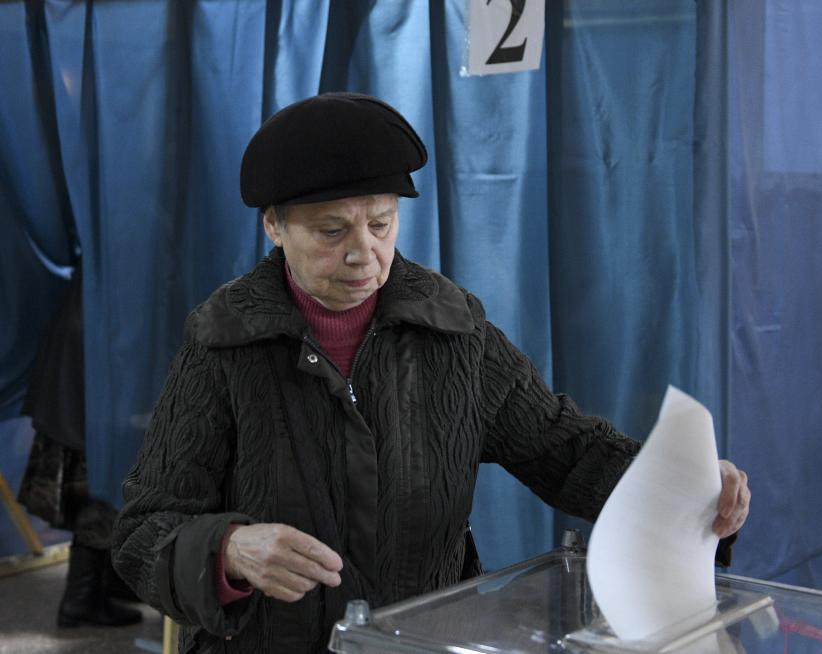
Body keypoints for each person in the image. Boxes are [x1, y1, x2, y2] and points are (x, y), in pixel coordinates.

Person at [112, 92, 750, 654]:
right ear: (274, 226)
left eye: (381, 224)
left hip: (425, 643)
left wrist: (690, 491)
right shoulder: (225, 343)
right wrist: (228, 551)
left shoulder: (451, 331)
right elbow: (144, 532)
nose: (364, 252)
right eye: (332, 231)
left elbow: (568, 451)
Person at [18, 266, 143, 628]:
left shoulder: (106, 248)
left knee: (99, 477)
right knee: (101, 482)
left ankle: (107, 582)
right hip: (93, 369)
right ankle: (81, 597)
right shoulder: (131, 258)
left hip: (77, 363)